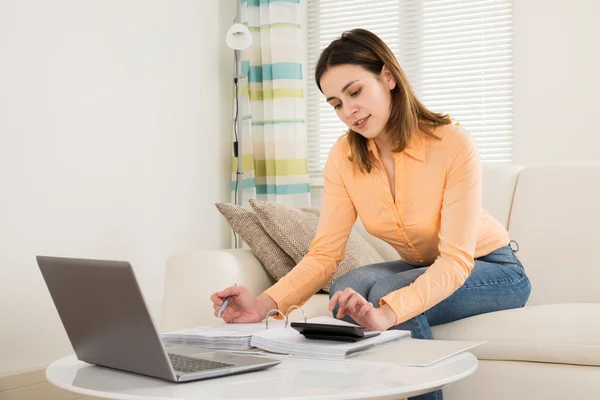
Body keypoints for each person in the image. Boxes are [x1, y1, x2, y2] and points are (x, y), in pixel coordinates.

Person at [211, 29, 531, 400]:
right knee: (349, 289)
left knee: (387, 291)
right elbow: (324, 255)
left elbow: (456, 261)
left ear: (388, 77)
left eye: (355, 92)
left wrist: (388, 314)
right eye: (335, 103)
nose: (348, 111)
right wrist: (263, 305)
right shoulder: (344, 158)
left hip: (493, 268)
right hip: (423, 265)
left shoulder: (452, 144)